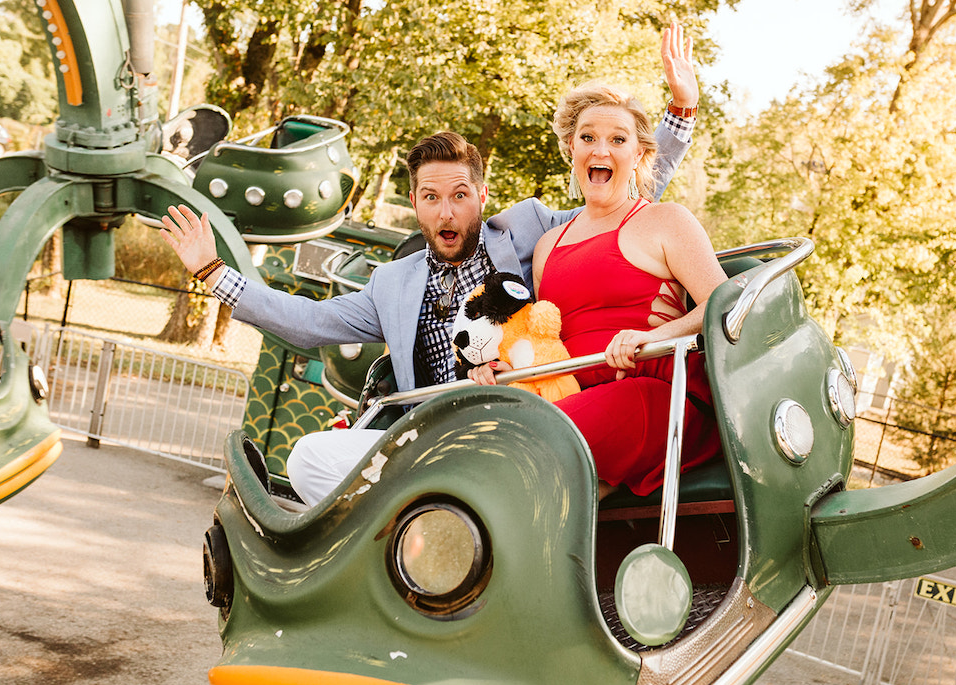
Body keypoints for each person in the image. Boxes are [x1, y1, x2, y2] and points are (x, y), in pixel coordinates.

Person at [158, 25, 702, 506]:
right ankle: (421, 517)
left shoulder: (530, 231)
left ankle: (422, 518)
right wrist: (214, 273)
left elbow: (615, 186)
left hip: (513, 410)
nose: (448, 210)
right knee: (307, 457)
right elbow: (308, 320)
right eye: (432, 197)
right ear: (415, 203)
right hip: (426, 432)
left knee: (451, 472)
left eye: (460, 194)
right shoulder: (393, 283)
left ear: (482, 196)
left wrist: (679, 113)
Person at [470, 82, 729, 499]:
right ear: (571, 148)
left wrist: (652, 336)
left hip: (652, 392)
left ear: (640, 154)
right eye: (588, 137)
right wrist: (506, 368)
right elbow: (549, 340)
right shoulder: (547, 246)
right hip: (573, 393)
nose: (601, 150)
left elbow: (725, 303)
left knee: (530, 444)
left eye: (618, 140)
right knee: (478, 441)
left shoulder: (665, 220)